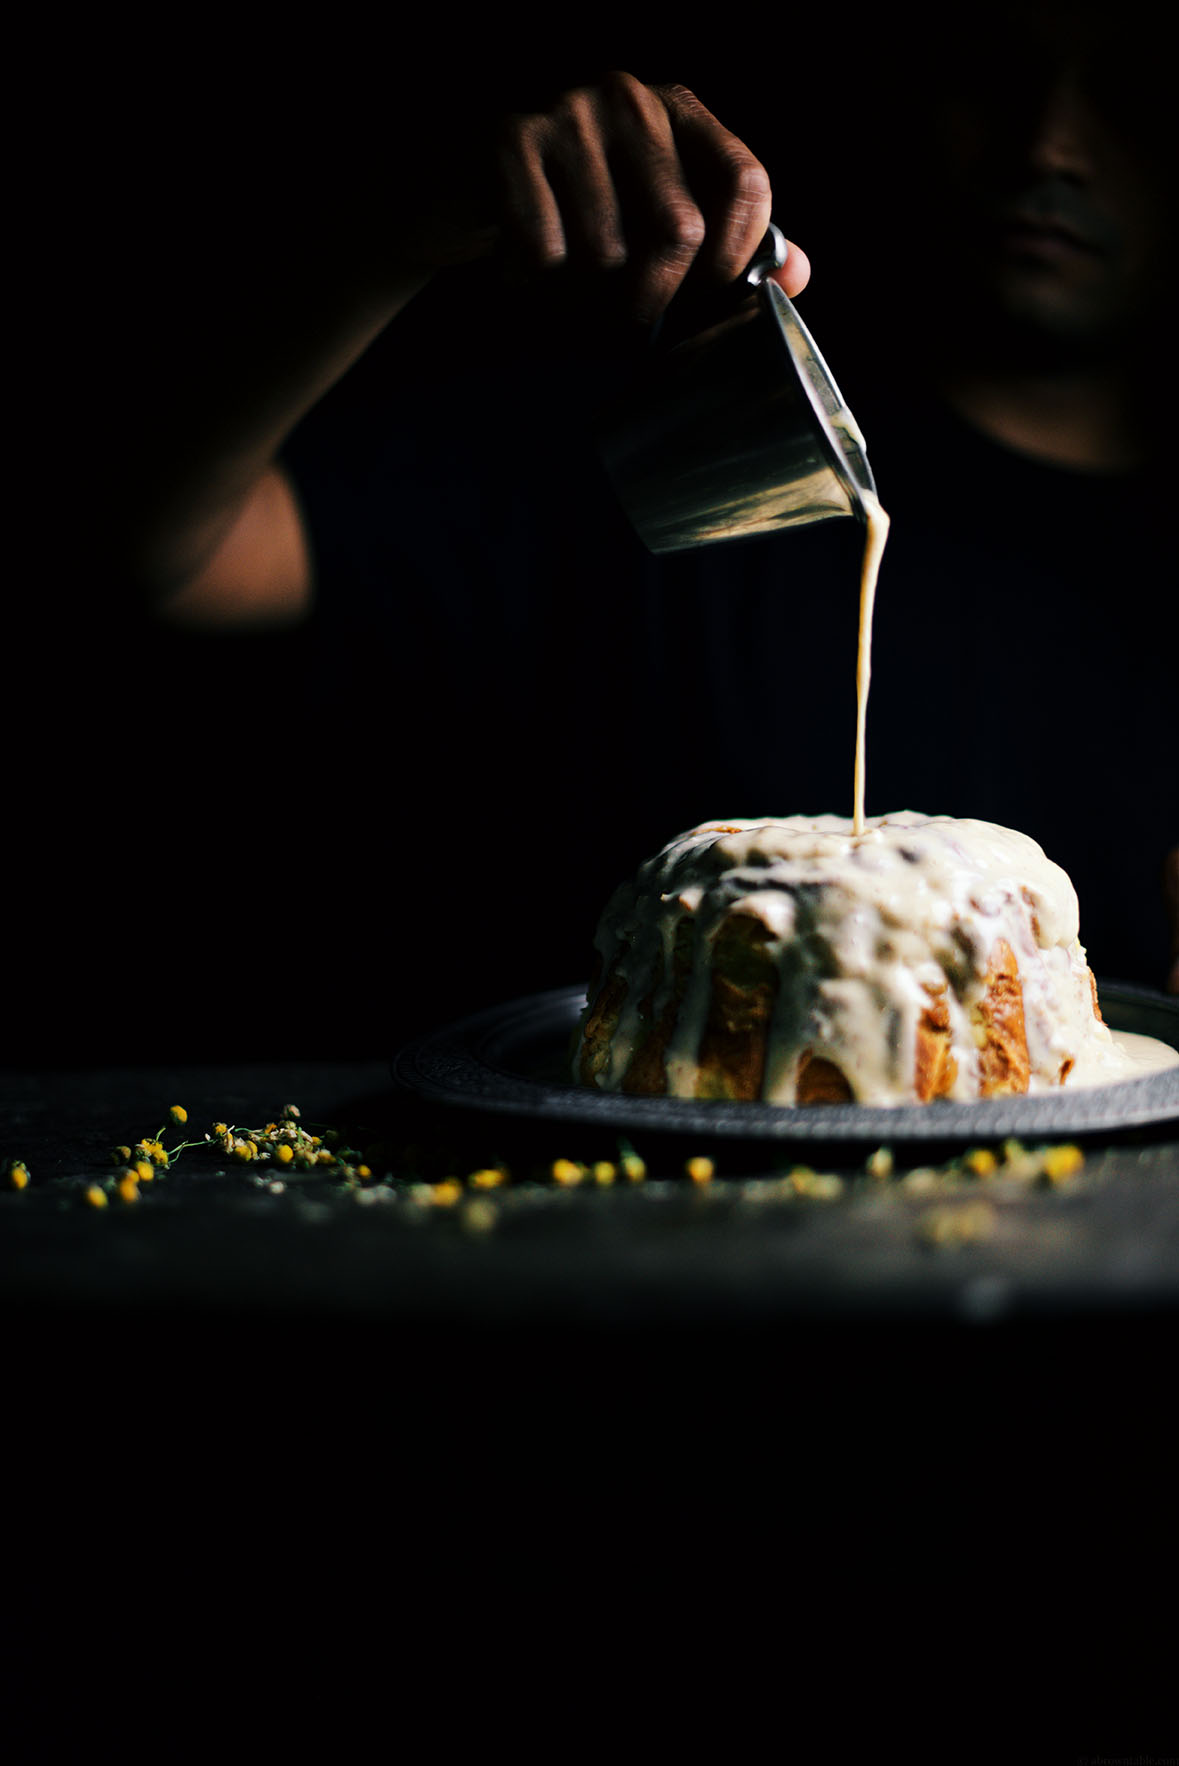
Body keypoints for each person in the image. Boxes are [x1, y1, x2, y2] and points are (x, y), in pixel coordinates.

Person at [25, 7, 1178, 1059]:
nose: (1047, 148)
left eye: (1133, 88)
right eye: (994, 75)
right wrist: (391, 233)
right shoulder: (644, 440)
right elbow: (158, 553)